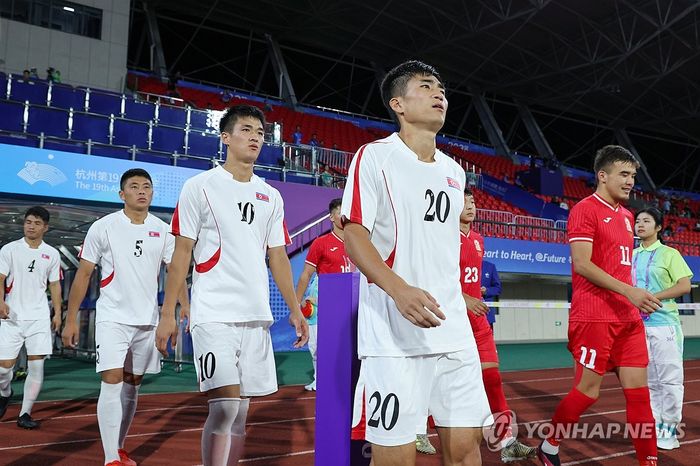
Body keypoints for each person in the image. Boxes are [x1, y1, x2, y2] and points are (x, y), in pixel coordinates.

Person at [342, 60, 491, 466]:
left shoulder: (455, 172)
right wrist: (398, 289)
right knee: (395, 458)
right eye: (426, 87)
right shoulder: (374, 156)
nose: (439, 94)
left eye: (441, 88)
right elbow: (354, 232)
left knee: (465, 452)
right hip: (394, 337)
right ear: (398, 104)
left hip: (453, 330)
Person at [155, 105, 308, 466]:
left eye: (260, 131)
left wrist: (295, 309)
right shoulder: (200, 186)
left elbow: (279, 258)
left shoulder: (271, 195)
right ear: (225, 137)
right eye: (246, 130)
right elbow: (181, 256)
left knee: (240, 415)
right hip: (214, 314)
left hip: (255, 316)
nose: (255, 136)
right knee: (224, 406)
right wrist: (168, 313)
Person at [537, 145, 662, 466]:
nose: (630, 181)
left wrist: (631, 297)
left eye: (633, 175)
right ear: (602, 176)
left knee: (639, 394)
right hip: (595, 316)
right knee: (588, 392)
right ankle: (550, 444)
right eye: (623, 174)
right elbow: (582, 264)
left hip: (627, 318)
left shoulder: (627, 216)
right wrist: (629, 291)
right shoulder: (585, 209)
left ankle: (649, 460)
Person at [62, 168, 190, 466]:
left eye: (146, 186)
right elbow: (83, 275)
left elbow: (176, 274)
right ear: (122, 194)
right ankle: (110, 459)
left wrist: (185, 307)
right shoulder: (103, 227)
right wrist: (70, 319)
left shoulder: (163, 230)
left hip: (148, 320)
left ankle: (118, 447)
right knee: (112, 379)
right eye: (134, 187)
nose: (142, 191)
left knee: (133, 383)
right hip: (113, 318)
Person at [458, 189, 536, 462]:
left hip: (478, 321)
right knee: (446, 384)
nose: (472, 206)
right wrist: (463, 298)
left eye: (474, 202)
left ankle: (507, 441)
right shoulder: (442, 238)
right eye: (465, 202)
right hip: (452, 321)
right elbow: (434, 280)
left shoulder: (478, 240)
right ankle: (419, 429)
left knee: (492, 379)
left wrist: (475, 296)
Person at [633, 207, 693, 451]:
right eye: (637, 221)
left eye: (646, 221)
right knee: (647, 381)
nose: (640, 225)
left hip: (664, 325)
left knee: (669, 380)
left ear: (658, 227)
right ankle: (653, 427)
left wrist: (651, 298)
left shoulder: (670, 254)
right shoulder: (631, 255)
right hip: (636, 325)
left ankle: (669, 431)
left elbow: (684, 285)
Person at [0, 206, 62, 429]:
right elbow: (0, 278)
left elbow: (54, 284)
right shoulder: (10, 249)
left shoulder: (52, 253)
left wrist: (58, 312)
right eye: (28, 222)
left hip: (39, 318)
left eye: (36, 223)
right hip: (12, 317)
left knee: (37, 367)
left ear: (45, 227)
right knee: (3, 368)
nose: (31, 226)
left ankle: (25, 413)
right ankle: (5, 393)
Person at [295, 198, 351, 391]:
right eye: (340, 212)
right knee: (319, 346)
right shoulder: (321, 243)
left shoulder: (359, 244)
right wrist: (296, 307)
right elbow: (305, 275)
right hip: (324, 303)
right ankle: (320, 378)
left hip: (350, 302)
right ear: (331, 217)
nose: (344, 216)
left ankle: (344, 379)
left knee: (348, 347)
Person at [481, 260, 501, 329]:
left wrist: (487, 291)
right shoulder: (466, 265)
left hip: (487, 314)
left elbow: (497, 288)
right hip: (469, 312)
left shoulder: (490, 266)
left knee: (488, 339)